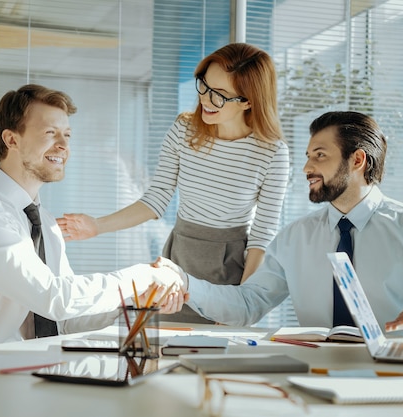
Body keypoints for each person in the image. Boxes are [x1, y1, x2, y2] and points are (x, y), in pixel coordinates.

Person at [57, 43, 290, 323]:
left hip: (230, 268)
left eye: (219, 96)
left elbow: (261, 237)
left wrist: (239, 302)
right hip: (179, 254)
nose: (205, 99)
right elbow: (156, 199)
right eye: (204, 86)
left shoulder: (272, 152)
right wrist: (97, 226)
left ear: (248, 101)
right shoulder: (184, 130)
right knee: (166, 348)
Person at [0, 84, 186, 346]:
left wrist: (138, 300)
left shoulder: (43, 221)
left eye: (67, 135)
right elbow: (54, 298)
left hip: (37, 367)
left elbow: (65, 320)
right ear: (12, 140)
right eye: (50, 133)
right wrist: (142, 277)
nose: (63, 145)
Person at [155, 111, 403, 331]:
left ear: (357, 160)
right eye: (308, 156)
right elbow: (248, 303)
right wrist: (185, 282)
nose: (307, 167)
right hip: (315, 372)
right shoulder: (296, 238)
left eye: (320, 155)